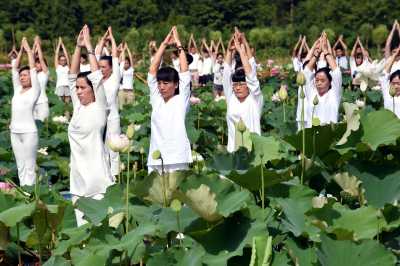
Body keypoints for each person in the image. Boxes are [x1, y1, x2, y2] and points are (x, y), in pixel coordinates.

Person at [68, 25, 113, 226]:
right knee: (81, 231)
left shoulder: (99, 106)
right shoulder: (78, 107)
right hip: (77, 177)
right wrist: (78, 47)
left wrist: (89, 47)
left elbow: (96, 76)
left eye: (82, 88)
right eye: (76, 88)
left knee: (99, 228)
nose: (78, 92)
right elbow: (71, 75)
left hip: (97, 178)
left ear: (92, 90)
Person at [147, 26, 192, 173]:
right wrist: (164, 45)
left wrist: (179, 44)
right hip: (156, 158)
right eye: (159, 83)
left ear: (176, 84)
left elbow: (185, 72)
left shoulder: (181, 100)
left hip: (177, 158)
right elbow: (153, 70)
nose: (161, 87)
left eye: (166, 83)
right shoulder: (157, 100)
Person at [223, 31, 263, 152]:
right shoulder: (231, 98)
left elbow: (251, 75)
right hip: (233, 151)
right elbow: (226, 73)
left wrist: (241, 50)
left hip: (253, 151)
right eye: (235, 84)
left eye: (241, 84)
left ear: (248, 85)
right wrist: (230, 51)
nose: (238, 87)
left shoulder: (255, 98)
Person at [10, 37, 40, 186]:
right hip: (14, 132)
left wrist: (29, 51)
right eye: (21, 75)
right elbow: (14, 69)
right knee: (20, 166)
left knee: (29, 167)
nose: (22, 77)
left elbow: (33, 70)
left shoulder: (35, 90)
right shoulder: (17, 89)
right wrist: (21, 50)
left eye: (25, 75)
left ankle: (32, 196)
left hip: (29, 132)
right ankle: (24, 195)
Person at [298, 33, 342, 129]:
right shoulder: (312, 93)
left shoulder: (334, 94)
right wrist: (316, 53)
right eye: (317, 80)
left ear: (330, 82)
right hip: (311, 136)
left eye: (322, 80)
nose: (319, 83)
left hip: (329, 137)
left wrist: (326, 51)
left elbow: (337, 72)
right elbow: (306, 72)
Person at [96, 27, 122, 177]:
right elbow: (97, 54)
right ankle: (105, 178)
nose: (101, 70)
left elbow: (114, 55)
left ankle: (116, 177)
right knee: (101, 150)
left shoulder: (114, 78)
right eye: (99, 67)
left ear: (112, 68)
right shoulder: (96, 81)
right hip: (99, 118)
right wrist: (102, 38)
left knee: (114, 150)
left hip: (112, 118)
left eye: (104, 67)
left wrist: (111, 38)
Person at [32, 36, 50, 122]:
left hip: (42, 102)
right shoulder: (32, 74)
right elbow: (31, 58)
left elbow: (41, 59)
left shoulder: (45, 73)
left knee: (43, 126)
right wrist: (34, 45)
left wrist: (38, 45)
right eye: (36, 63)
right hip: (32, 103)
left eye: (39, 63)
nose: (36, 64)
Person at [380, 46, 400, 118]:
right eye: (393, 83)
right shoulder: (387, 93)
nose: (396, 86)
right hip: (388, 127)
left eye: (398, 84)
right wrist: (394, 55)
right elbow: (384, 74)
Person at [118, 42, 135, 109]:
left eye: (127, 63)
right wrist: (123, 50)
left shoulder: (131, 69)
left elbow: (130, 58)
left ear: (129, 64)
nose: (125, 64)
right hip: (122, 91)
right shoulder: (121, 69)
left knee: (130, 109)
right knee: (121, 109)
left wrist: (127, 49)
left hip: (130, 91)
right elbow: (120, 59)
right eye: (124, 63)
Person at [54, 37, 71, 103]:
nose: (63, 61)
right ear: (59, 61)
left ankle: (67, 113)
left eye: (64, 60)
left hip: (67, 86)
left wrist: (62, 44)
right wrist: (59, 44)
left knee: (67, 104)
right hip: (59, 86)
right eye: (61, 60)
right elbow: (56, 54)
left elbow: (66, 55)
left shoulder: (68, 67)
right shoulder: (58, 67)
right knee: (60, 104)